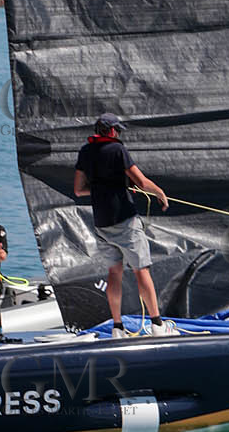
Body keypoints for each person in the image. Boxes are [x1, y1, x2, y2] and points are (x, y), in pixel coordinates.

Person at [74, 112, 177, 339]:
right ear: (110, 131)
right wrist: (160, 193)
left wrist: (102, 190)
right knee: (142, 271)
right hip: (125, 221)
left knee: (114, 273)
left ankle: (117, 327)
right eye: (117, 130)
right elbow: (140, 181)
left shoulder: (85, 151)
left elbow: (79, 190)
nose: (118, 133)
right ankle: (158, 326)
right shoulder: (117, 150)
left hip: (102, 223)